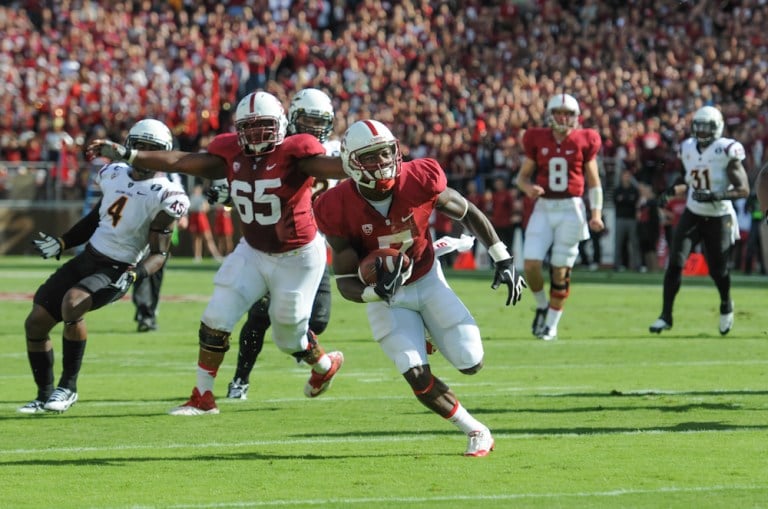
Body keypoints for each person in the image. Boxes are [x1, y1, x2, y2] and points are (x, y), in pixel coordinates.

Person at [87, 90, 348, 415]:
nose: (255, 135)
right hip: (252, 250)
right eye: (248, 128)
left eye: (263, 126)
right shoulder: (228, 152)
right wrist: (130, 154)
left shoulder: (297, 152)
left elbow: (332, 168)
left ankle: (324, 365)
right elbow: (180, 161)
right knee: (215, 317)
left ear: (281, 125)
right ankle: (202, 396)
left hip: (298, 256)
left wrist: (360, 164)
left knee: (288, 336)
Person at [313, 119, 527, 457]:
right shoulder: (334, 205)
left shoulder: (419, 177)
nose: (383, 163)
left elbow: (466, 210)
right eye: (371, 157)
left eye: (386, 154)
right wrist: (375, 293)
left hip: (426, 276)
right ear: (351, 163)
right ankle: (475, 429)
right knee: (413, 370)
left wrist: (502, 256)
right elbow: (345, 282)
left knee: (471, 362)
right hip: (388, 298)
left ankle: (428, 331)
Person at [20, 119, 189, 414]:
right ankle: (43, 394)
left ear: (164, 154)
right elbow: (97, 217)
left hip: (117, 268)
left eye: (154, 150)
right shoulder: (113, 173)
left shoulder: (165, 193)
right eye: (141, 147)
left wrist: (135, 274)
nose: (146, 154)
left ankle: (68, 387)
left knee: (73, 305)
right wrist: (63, 242)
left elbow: (160, 254)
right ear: (130, 147)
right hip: (88, 257)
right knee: (35, 322)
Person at [223, 87, 340, 400]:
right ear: (292, 118)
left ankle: (311, 355)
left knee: (317, 320)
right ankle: (240, 380)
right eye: (308, 120)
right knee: (260, 315)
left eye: (321, 121)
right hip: (275, 247)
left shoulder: (337, 152)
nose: (315, 127)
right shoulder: (277, 148)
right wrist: (224, 193)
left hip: (313, 249)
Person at [649, 106, 749, 335]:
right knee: (675, 263)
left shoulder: (726, 150)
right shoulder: (687, 148)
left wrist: (717, 195)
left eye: (707, 127)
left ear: (717, 127)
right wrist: (672, 190)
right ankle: (666, 315)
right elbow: (691, 181)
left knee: (718, 270)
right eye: (699, 126)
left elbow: (743, 189)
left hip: (719, 216)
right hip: (693, 213)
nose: (702, 131)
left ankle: (726, 304)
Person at [515, 93, 605, 341]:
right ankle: (542, 305)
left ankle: (551, 325)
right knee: (530, 263)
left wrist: (596, 213)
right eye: (560, 113)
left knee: (560, 271)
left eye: (568, 114)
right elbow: (521, 178)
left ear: (576, 117)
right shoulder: (536, 137)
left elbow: (594, 181)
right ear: (551, 115)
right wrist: (528, 188)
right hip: (544, 207)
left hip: (571, 209)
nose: (564, 118)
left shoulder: (585, 139)